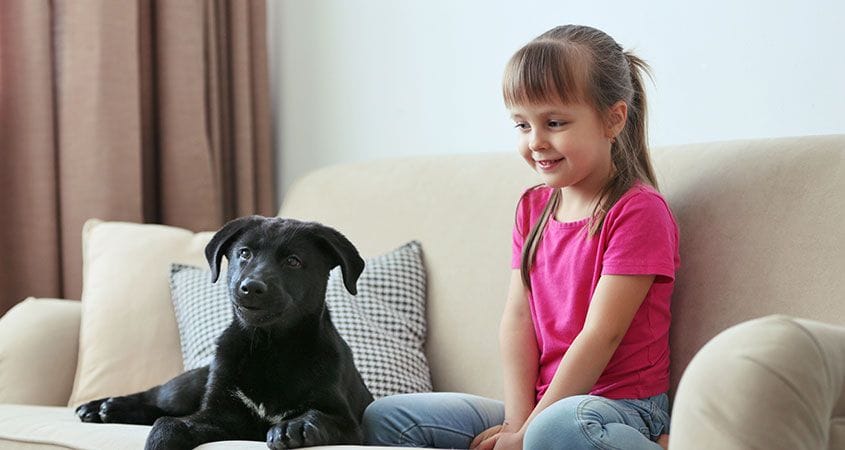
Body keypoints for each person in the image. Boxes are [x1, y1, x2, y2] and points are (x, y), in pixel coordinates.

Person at [363, 24, 679, 450]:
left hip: (622, 408)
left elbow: (601, 334)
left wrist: (530, 432)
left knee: (557, 430)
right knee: (389, 418)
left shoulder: (638, 210)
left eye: (553, 122)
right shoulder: (533, 207)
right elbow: (518, 320)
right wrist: (516, 424)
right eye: (521, 125)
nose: (536, 142)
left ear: (613, 119)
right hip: (539, 405)